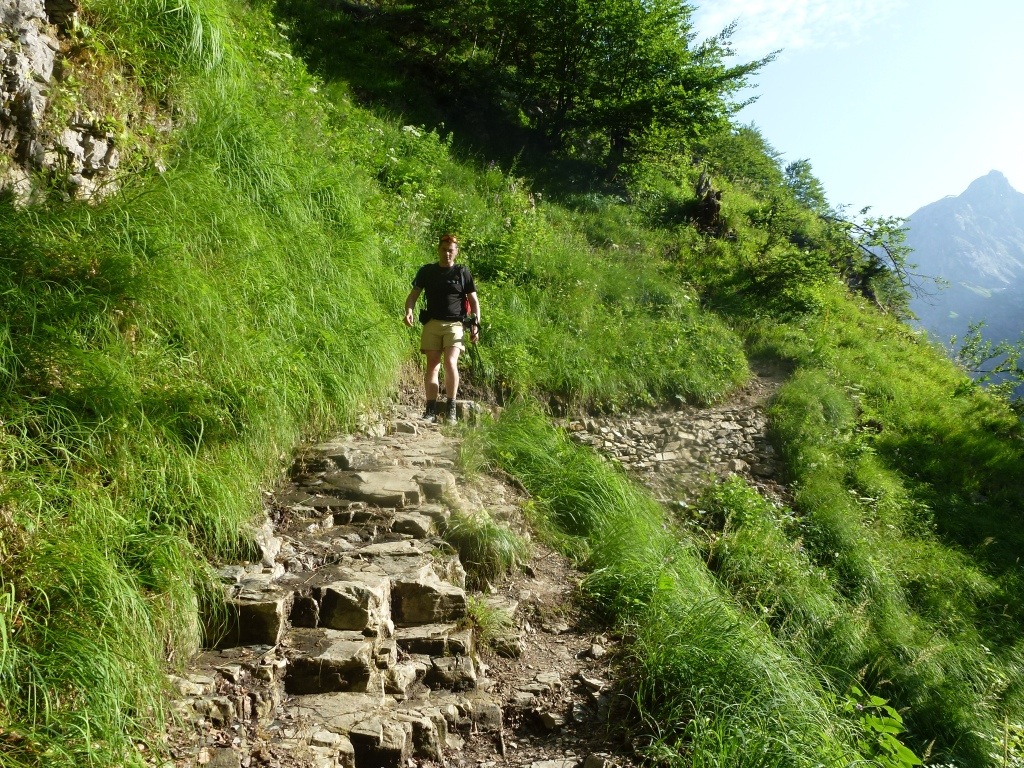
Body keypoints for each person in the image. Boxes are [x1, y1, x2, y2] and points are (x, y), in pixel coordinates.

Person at [404, 233, 480, 423]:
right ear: (438, 250)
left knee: (450, 362)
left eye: (450, 251)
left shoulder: (462, 272)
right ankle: (430, 410)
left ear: (456, 252)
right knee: (432, 365)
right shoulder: (427, 271)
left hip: (455, 324)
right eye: (444, 250)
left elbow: (473, 301)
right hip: (432, 323)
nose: (447, 254)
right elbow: (413, 295)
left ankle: (451, 409)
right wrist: (409, 311)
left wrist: (475, 324)